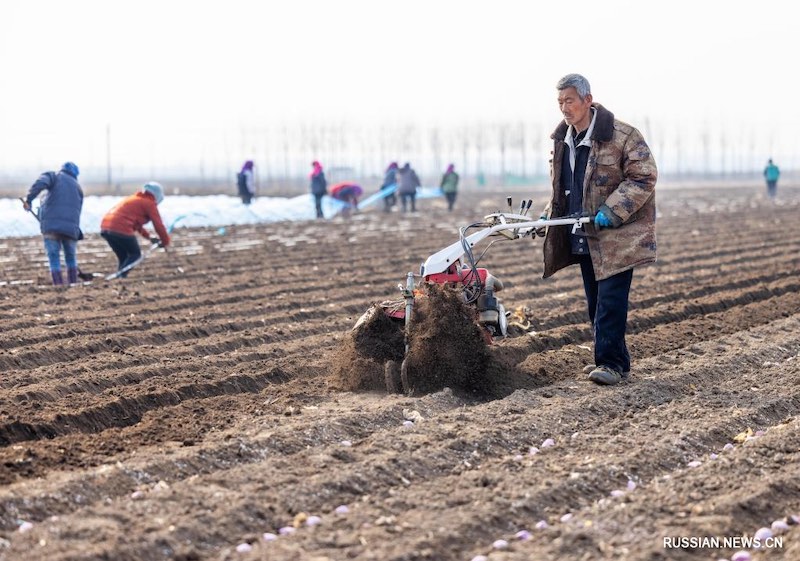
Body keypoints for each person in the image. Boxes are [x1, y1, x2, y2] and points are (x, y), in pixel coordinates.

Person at [539, 73, 657, 386]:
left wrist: (613, 210)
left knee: (610, 302)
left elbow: (643, 176)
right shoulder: (562, 139)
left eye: (570, 100)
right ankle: (615, 360)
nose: (565, 107)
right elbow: (565, 187)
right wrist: (549, 215)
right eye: (560, 102)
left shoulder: (621, 136)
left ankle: (610, 364)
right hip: (584, 236)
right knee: (596, 302)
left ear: (587, 100)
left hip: (618, 237)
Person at [23, 162, 84, 286]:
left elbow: (40, 183)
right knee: (71, 258)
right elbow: (77, 212)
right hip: (71, 230)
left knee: (54, 258)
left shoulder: (54, 176)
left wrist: (29, 200)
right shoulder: (78, 188)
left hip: (51, 228)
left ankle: (58, 285)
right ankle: (73, 284)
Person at [100, 182, 170, 278]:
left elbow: (136, 224)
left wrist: (149, 237)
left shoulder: (135, 199)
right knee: (135, 254)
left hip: (106, 227)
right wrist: (165, 241)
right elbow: (158, 225)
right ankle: (120, 276)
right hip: (120, 227)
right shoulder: (149, 203)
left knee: (124, 256)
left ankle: (120, 277)